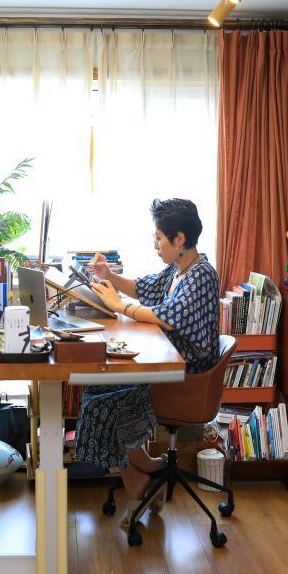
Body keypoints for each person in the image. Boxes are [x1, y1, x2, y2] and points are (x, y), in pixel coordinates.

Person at [75, 198, 219, 523]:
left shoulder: (202, 275)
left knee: (105, 400)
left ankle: (137, 478)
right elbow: (145, 288)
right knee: (95, 389)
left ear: (179, 239)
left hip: (185, 380)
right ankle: (147, 468)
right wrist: (109, 276)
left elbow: (166, 316)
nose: (155, 244)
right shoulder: (179, 270)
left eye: (159, 238)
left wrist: (118, 305)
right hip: (168, 366)